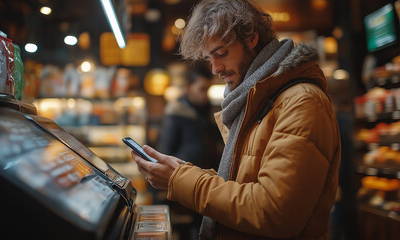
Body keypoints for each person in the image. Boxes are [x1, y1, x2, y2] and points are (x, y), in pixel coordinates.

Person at [130, 0, 341, 239]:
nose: (215, 69)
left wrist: (180, 179)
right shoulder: (255, 99)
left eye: (222, 53)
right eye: (209, 58)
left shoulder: (301, 101)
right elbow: (244, 188)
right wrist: (181, 171)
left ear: (251, 37)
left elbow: (274, 211)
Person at [159, 64, 223, 170]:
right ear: (188, 87)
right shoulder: (175, 111)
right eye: (202, 89)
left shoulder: (207, 110)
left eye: (208, 89)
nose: (206, 95)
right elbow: (165, 153)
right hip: (183, 177)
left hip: (207, 176)